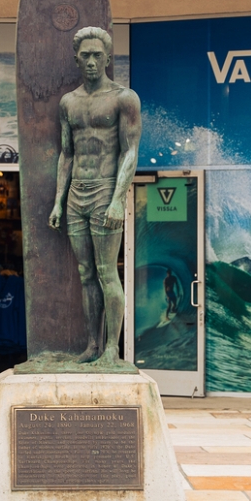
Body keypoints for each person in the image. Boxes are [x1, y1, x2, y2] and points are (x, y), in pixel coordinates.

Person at [48, 26, 142, 365]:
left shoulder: (124, 98)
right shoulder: (68, 102)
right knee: (86, 272)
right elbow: (67, 154)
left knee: (106, 271)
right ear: (76, 59)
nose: (91, 62)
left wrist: (119, 198)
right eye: (85, 55)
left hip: (105, 191)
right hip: (76, 195)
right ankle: (92, 345)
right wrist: (59, 200)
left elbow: (129, 152)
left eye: (97, 56)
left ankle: (112, 351)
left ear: (107, 58)